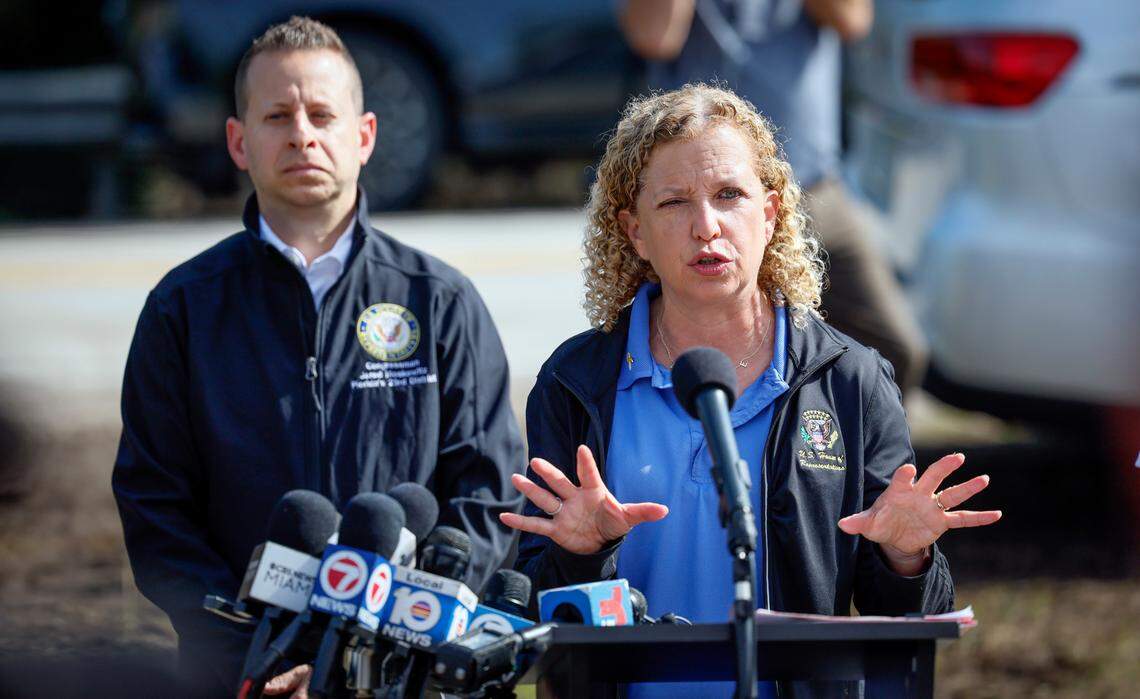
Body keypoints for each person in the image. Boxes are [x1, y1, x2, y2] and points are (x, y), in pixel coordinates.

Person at [503, 85, 1000, 698]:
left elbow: (903, 622)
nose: (705, 225)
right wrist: (579, 558)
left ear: (770, 215)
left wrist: (905, 559)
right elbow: (533, 612)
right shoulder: (575, 383)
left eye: (729, 195)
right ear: (634, 232)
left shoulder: (851, 380)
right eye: (674, 202)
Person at [111, 17, 525, 698]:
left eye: (321, 113)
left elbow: (486, 496)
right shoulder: (182, 309)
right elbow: (154, 510)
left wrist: (389, 643)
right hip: (236, 677)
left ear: (363, 136)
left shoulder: (441, 300)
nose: (302, 132)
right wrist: (256, 650)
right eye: (277, 115)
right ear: (239, 143)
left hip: (403, 673)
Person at [620, 0, 929, 398]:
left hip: (815, 186)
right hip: (709, 200)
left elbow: (852, 19)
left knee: (896, 348)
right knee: (745, 348)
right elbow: (655, 36)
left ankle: (840, 450)